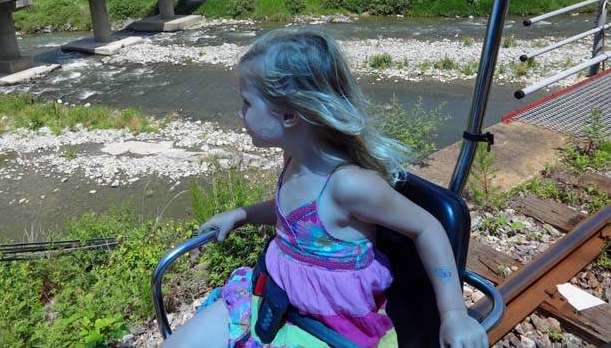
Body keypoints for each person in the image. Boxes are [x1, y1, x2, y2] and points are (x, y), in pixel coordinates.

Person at [163, 28, 488, 348]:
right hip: (274, 298)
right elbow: (292, 216)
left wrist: (454, 314)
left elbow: (427, 227)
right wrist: (243, 214)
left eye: (247, 103)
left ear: (289, 115)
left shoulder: (348, 186)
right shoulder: (294, 159)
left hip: (329, 327)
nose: (240, 113)